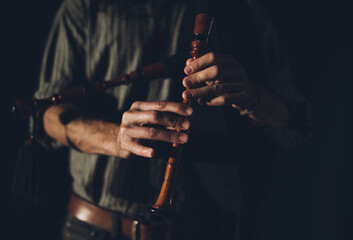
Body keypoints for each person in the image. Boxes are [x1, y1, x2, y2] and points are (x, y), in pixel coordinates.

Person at [33, 0, 312, 239]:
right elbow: (46, 116)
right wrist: (116, 137)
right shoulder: (86, 5)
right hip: (94, 231)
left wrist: (251, 95)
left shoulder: (240, 8)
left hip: (202, 229)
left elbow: (294, 123)